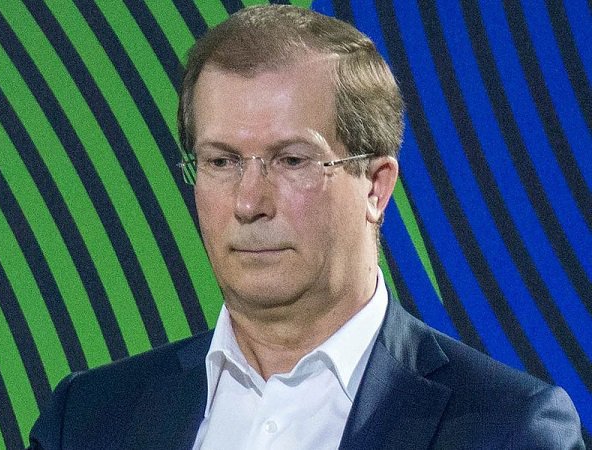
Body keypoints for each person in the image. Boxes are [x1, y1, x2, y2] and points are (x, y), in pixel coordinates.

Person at [29, 5, 583, 449]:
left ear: (376, 187)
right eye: (221, 161)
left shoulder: (506, 429)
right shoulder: (86, 419)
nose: (249, 203)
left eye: (292, 160)